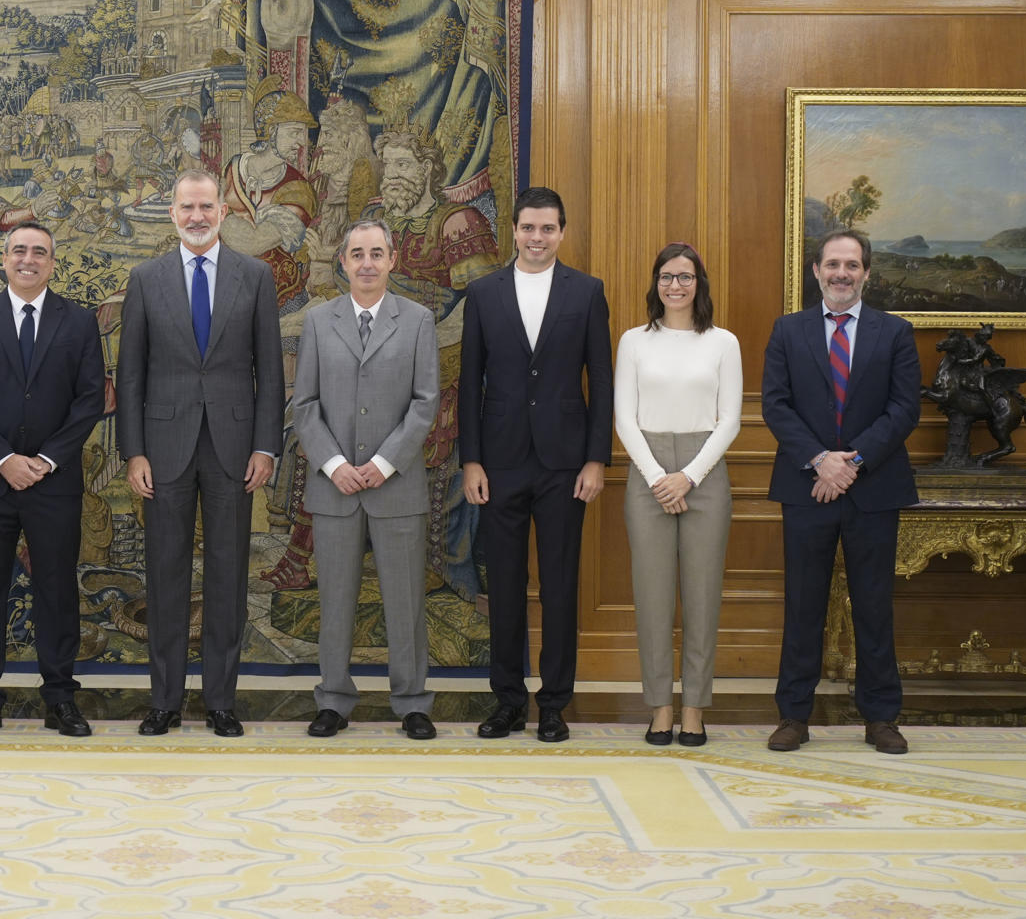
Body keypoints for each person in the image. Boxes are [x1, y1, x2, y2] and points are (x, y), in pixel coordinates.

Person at [117, 169, 284, 737]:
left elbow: (270, 370)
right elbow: (131, 375)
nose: (196, 216)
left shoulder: (255, 276)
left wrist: (267, 445)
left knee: (227, 576)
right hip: (162, 450)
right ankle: (164, 701)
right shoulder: (145, 278)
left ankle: (220, 702)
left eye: (206, 206)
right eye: (186, 207)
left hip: (235, 450)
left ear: (223, 212)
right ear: (172, 213)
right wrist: (133, 452)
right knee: (164, 574)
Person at [458, 186, 610, 743]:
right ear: (514, 231)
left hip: (565, 465)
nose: (538, 238)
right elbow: (468, 381)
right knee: (503, 585)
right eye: (528, 228)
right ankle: (507, 701)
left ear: (562, 232)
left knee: (561, 587)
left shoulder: (587, 292)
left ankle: (554, 704)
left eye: (548, 229)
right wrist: (470, 460)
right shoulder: (484, 292)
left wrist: (596, 460)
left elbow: (603, 380)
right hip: (498, 463)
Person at [761, 228, 920, 756]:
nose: (841, 274)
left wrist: (850, 462)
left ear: (867, 273)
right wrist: (820, 461)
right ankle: (793, 715)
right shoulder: (788, 331)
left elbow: (904, 410)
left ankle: (881, 719)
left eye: (852, 265)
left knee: (874, 607)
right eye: (832, 264)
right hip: (807, 487)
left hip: (873, 489)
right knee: (802, 604)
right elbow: (776, 406)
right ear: (816, 271)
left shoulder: (895, 332)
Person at [0, 224, 107, 738]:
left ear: (52, 263)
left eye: (39, 251)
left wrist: (44, 460)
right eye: (19, 250)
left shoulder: (79, 323)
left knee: (56, 590)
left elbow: (89, 401)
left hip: (53, 482)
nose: (28, 258)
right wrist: (4, 460)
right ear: (4, 259)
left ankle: (60, 698)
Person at [292, 220, 441, 740]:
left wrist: (383, 463)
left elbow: (426, 405)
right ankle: (333, 700)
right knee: (334, 600)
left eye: (377, 253)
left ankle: (412, 702)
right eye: (357, 254)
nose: (367, 263)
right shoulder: (317, 321)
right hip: (335, 487)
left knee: (405, 600)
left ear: (392, 260)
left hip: (396, 486)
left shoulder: (419, 320)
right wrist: (334, 464)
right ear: (343, 262)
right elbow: (304, 405)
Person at [613, 243, 742, 747]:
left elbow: (729, 420)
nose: (676, 285)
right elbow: (624, 418)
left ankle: (694, 709)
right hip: (647, 476)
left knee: (703, 595)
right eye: (667, 276)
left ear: (699, 284)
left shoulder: (722, 343)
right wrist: (658, 478)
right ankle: (660, 708)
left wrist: (687, 476)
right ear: (656, 282)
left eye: (685, 277)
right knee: (652, 596)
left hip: (704, 471)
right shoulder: (634, 341)